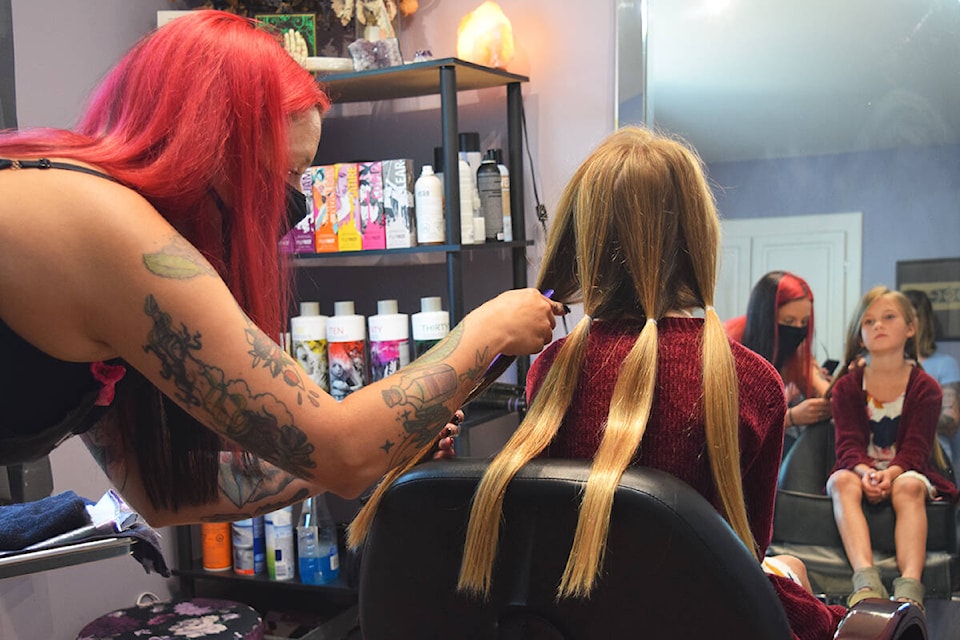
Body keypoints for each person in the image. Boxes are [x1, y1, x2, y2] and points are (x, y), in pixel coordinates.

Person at [0, 10, 562, 528]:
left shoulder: (101, 236)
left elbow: (164, 494)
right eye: (284, 178)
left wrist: (385, 444)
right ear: (205, 149)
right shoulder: (109, 231)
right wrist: (487, 329)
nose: (297, 205)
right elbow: (339, 450)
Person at [350, 127, 847, 638]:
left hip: (580, 621)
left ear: (583, 237)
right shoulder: (754, 382)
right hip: (702, 619)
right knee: (791, 569)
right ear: (699, 236)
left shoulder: (552, 369)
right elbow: (742, 563)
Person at [827, 286, 958, 610]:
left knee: (909, 487)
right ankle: (866, 579)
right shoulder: (846, 387)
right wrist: (865, 472)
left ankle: (910, 584)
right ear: (860, 336)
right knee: (840, 481)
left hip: (907, 469)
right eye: (869, 321)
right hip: (860, 470)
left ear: (910, 328)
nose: (878, 326)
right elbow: (847, 446)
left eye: (888, 317)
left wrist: (892, 473)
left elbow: (915, 449)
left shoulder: (925, 387)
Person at [725, 271, 833, 447]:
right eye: (789, 321)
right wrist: (790, 418)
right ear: (766, 319)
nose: (797, 330)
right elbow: (728, 424)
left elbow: (819, 385)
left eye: (804, 323)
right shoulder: (729, 348)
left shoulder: (796, 354)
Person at [902, 289, 960, 467]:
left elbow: (951, 422)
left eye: (908, 317)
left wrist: (903, 418)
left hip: (932, 457)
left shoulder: (945, 364)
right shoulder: (878, 364)